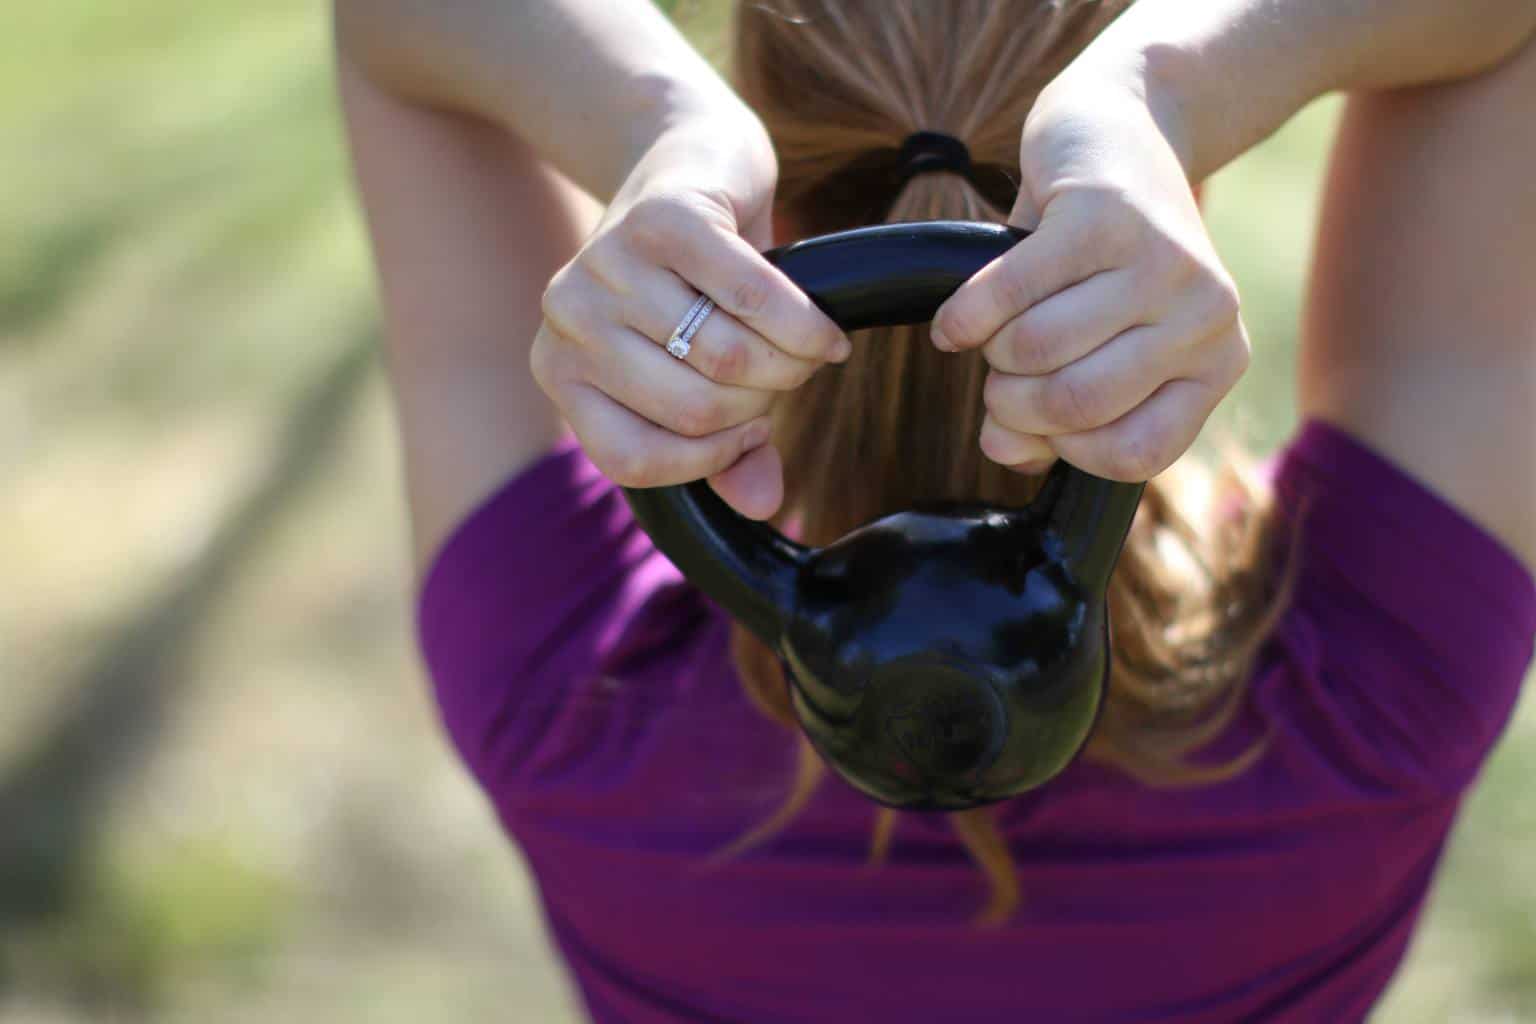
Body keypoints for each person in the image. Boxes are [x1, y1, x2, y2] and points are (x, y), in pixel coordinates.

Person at [333, 0, 1536, 1019]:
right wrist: (1161, 86)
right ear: (1177, 193)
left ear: (775, 164)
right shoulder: (1377, 684)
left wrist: (669, 128)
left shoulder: (566, 686)